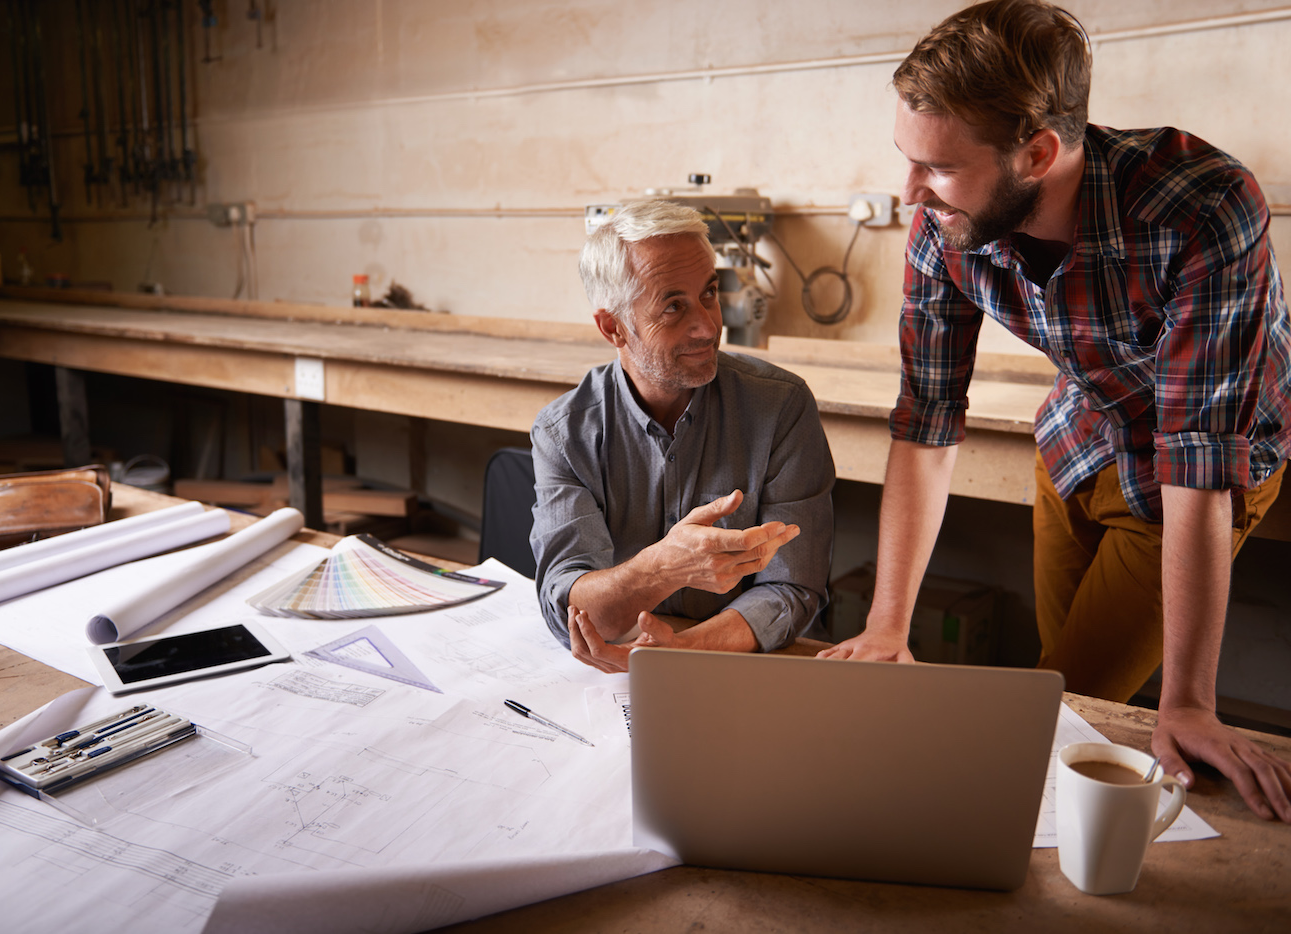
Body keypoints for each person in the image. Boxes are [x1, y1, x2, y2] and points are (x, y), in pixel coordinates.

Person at [820, 0, 1291, 822]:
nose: (910, 193)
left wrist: (1187, 702)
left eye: (937, 167)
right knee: (1058, 684)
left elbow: (1199, 456)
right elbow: (927, 418)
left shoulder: (1205, 207)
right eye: (907, 159)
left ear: (1038, 152)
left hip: (1195, 476)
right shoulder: (946, 224)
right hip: (1074, 444)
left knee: (1048, 707)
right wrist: (888, 628)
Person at [531, 199, 834, 673]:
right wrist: (662, 568)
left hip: (737, 667)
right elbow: (570, 608)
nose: (707, 326)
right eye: (673, 306)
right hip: (610, 675)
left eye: (709, 293)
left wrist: (677, 655)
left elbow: (793, 588)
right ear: (614, 327)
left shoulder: (780, 408)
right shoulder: (564, 433)